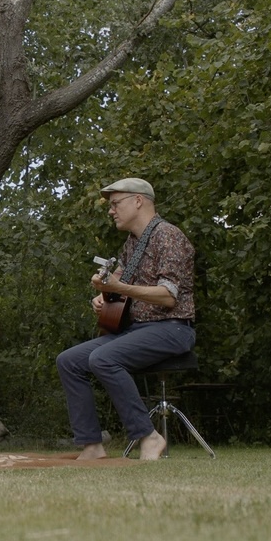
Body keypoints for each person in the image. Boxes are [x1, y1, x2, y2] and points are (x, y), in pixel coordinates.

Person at [56, 177, 196, 461]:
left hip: (173, 328)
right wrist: (103, 297)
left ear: (138, 201)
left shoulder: (167, 236)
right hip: (137, 330)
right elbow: (117, 281)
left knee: (103, 358)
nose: (111, 210)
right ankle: (92, 445)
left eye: (115, 203)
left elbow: (168, 297)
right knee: (69, 361)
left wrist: (117, 288)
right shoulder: (133, 243)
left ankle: (149, 437)